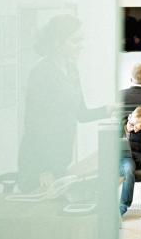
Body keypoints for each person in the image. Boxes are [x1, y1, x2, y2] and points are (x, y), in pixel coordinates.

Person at [17, 15, 113, 192]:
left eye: (81, 40)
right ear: (57, 42)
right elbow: (33, 125)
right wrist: (43, 169)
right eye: (75, 41)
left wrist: (109, 110)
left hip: (61, 156)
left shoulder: (72, 70)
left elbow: (81, 114)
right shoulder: (41, 72)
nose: (81, 45)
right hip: (39, 162)